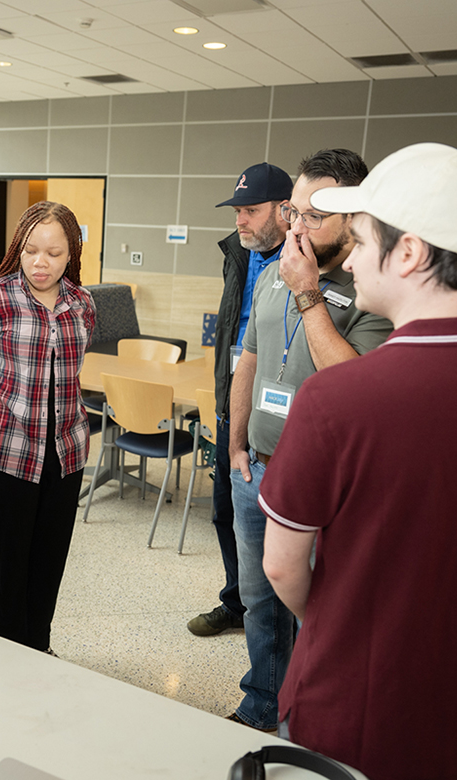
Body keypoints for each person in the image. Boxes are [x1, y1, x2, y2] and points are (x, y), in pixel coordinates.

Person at [259, 142, 457, 780]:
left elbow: (283, 566)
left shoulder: (339, 397)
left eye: (362, 237)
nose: (350, 254)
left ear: (408, 252)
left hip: (351, 712)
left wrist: (345, 624)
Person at [227, 149, 390, 731]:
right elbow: (249, 356)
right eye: (294, 212)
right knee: (260, 601)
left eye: (314, 216)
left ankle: (313, 718)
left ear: (355, 216)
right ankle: (264, 699)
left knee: (321, 609)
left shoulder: (370, 286)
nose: (296, 227)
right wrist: (237, 443)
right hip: (259, 470)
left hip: (328, 485)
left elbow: (352, 387)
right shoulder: (276, 268)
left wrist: (308, 291)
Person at [0, 201, 96, 653]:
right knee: (3, 566)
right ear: (18, 246)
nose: (41, 262)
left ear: (71, 254)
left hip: (65, 452)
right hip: (4, 450)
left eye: (54, 253)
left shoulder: (82, 304)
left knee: (47, 563)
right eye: (32, 250)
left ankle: (38, 648)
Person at [187, 162, 294, 639]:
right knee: (225, 512)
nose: (240, 220)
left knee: (279, 526)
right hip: (232, 394)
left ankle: (278, 618)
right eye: (237, 210)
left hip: (278, 409)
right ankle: (237, 601)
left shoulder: (301, 260)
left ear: (284, 210)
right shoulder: (237, 252)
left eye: (251, 210)